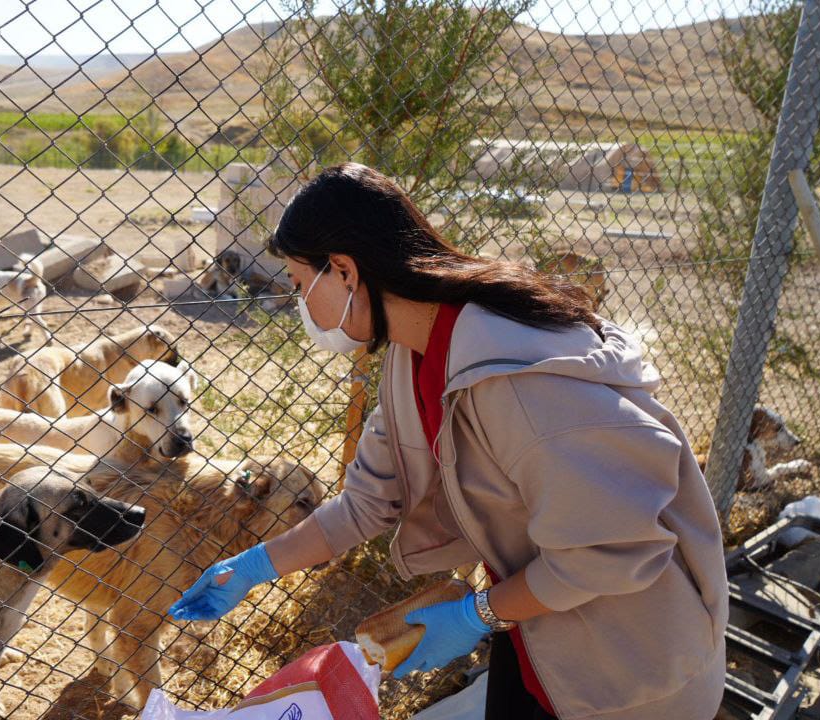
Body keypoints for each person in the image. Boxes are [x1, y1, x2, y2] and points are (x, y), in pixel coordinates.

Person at [170, 164, 728, 720]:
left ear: (342, 271)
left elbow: (611, 554)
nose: (300, 307)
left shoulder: (515, 385)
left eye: (298, 283)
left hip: (630, 669)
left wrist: (476, 615)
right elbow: (367, 503)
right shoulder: (415, 356)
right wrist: (252, 567)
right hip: (543, 634)